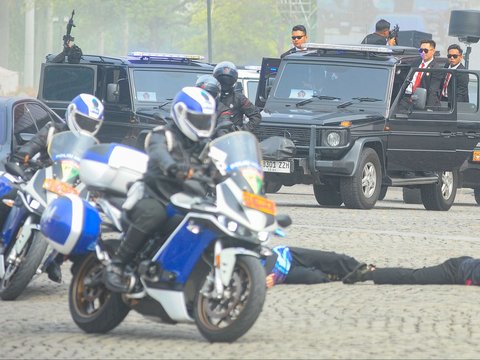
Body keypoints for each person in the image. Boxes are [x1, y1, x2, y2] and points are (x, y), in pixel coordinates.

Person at [103, 87, 217, 293]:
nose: (202, 125)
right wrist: (173, 167)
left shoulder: (205, 146)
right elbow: (158, 154)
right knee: (154, 214)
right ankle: (117, 264)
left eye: (205, 120)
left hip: (187, 202)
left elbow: (220, 166)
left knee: (206, 226)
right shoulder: (162, 135)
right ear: (181, 114)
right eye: (197, 119)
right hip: (154, 195)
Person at [0, 93, 104, 283]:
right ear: (71, 114)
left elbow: (95, 173)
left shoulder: (91, 148)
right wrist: (22, 159)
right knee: (8, 195)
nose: (87, 126)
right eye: (83, 121)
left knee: (85, 227)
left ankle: (56, 259)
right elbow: (32, 146)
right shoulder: (52, 130)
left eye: (91, 123)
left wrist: (98, 191)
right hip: (40, 179)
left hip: (69, 189)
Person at [264, 245, 367, 287]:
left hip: (286, 255)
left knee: (332, 259)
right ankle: (340, 276)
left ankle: (366, 270)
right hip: (283, 274)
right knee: (312, 277)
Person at [342, 256, 480, 286]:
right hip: (455, 270)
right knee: (415, 277)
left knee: (421, 275)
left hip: (464, 267)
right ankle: (368, 272)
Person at [213, 61, 261, 133]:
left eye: (228, 81)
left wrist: (241, 131)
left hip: (233, 139)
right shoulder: (210, 97)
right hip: (212, 136)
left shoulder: (239, 98)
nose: (225, 84)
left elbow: (256, 116)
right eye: (222, 81)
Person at [406, 39, 443, 107]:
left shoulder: (436, 68)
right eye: (421, 50)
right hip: (407, 98)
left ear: (433, 51)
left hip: (422, 101)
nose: (423, 53)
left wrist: (429, 108)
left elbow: (433, 91)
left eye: (425, 51)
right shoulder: (415, 63)